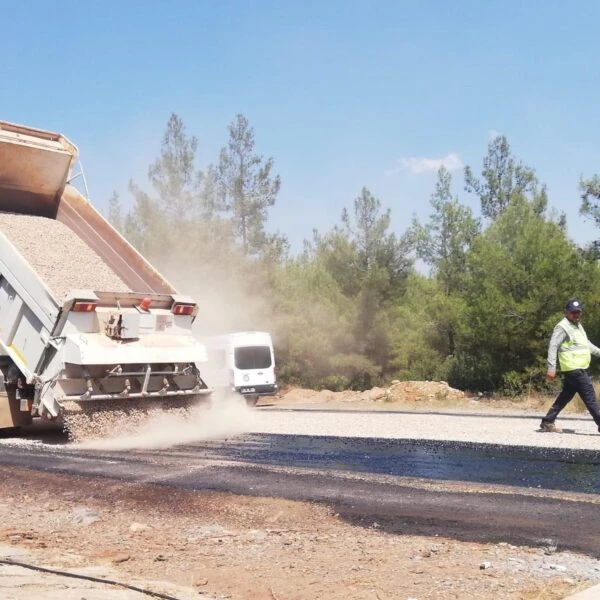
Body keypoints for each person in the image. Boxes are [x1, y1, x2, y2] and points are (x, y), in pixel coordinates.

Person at [540, 298, 600, 433]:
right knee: (589, 396)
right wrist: (551, 367)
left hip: (579, 368)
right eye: (573, 312)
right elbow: (553, 346)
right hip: (574, 369)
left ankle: (548, 421)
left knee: (565, 396)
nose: (576, 315)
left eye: (578, 312)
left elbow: (587, 345)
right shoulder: (562, 327)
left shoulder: (578, 326)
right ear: (566, 312)